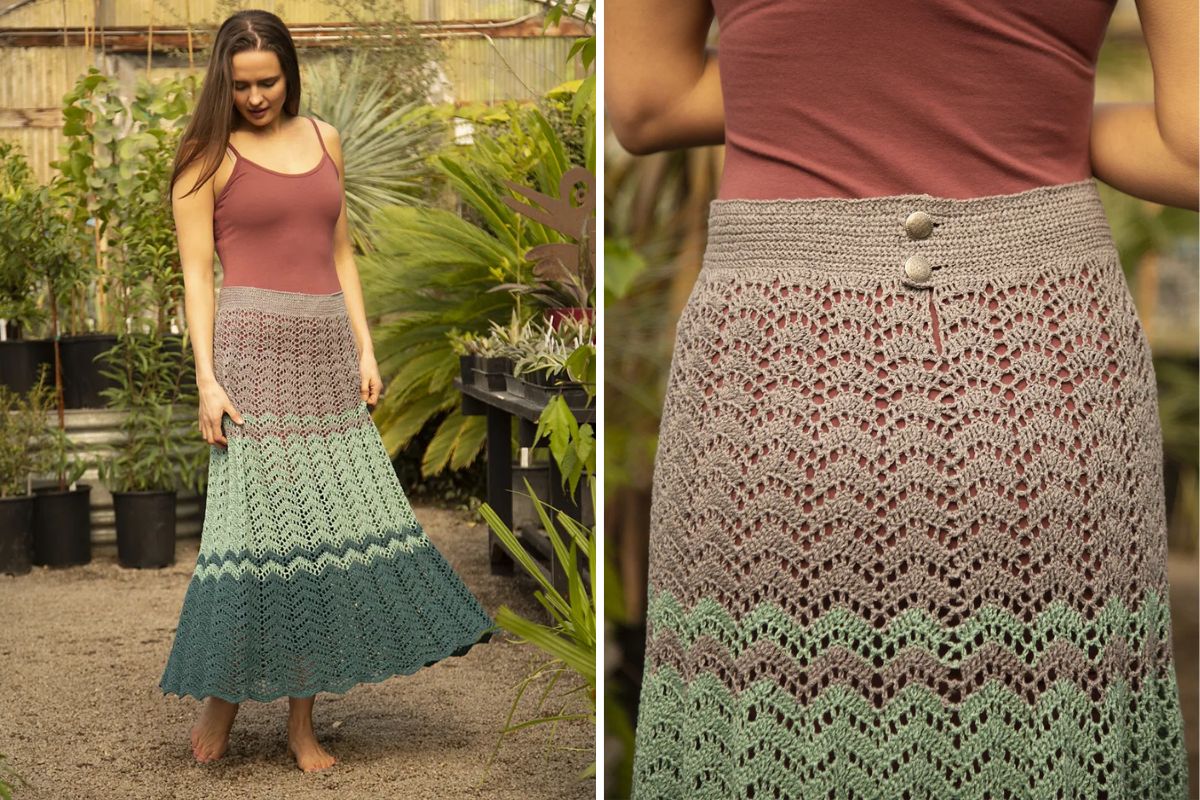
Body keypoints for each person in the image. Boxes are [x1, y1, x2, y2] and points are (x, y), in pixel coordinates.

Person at [608, 0, 1196, 797]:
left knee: (769, 732)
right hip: (1039, 375)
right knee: (1047, 725)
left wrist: (809, 84)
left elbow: (646, 102)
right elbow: (1189, 148)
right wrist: (1026, 101)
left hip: (777, 379)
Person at [159, 10, 495, 773]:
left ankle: (301, 722)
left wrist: (366, 346)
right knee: (253, 532)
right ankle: (223, 700)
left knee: (325, 532)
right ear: (223, 80)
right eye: (240, 84)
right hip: (250, 356)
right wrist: (207, 381)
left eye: (268, 81)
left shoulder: (325, 140)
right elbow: (196, 277)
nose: (254, 97)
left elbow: (340, 251)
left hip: (324, 354)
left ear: (290, 72)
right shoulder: (203, 157)